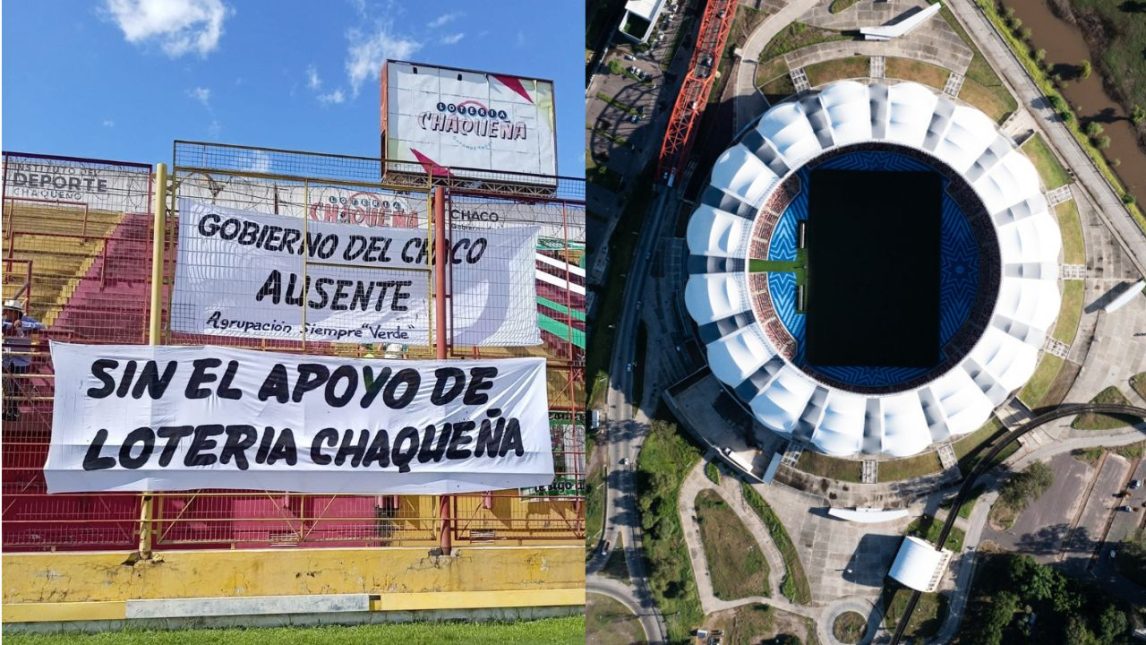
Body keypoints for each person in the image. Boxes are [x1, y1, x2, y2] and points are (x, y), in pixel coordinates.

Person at [3, 299, 43, 421]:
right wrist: (11, 325)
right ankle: (11, 410)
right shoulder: (5, 321)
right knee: (7, 385)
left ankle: (12, 411)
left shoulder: (27, 320)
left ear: (15, 312)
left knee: (14, 386)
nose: (6, 313)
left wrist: (23, 325)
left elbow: (41, 326)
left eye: (8, 311)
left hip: (21, 360)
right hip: (7, 359)